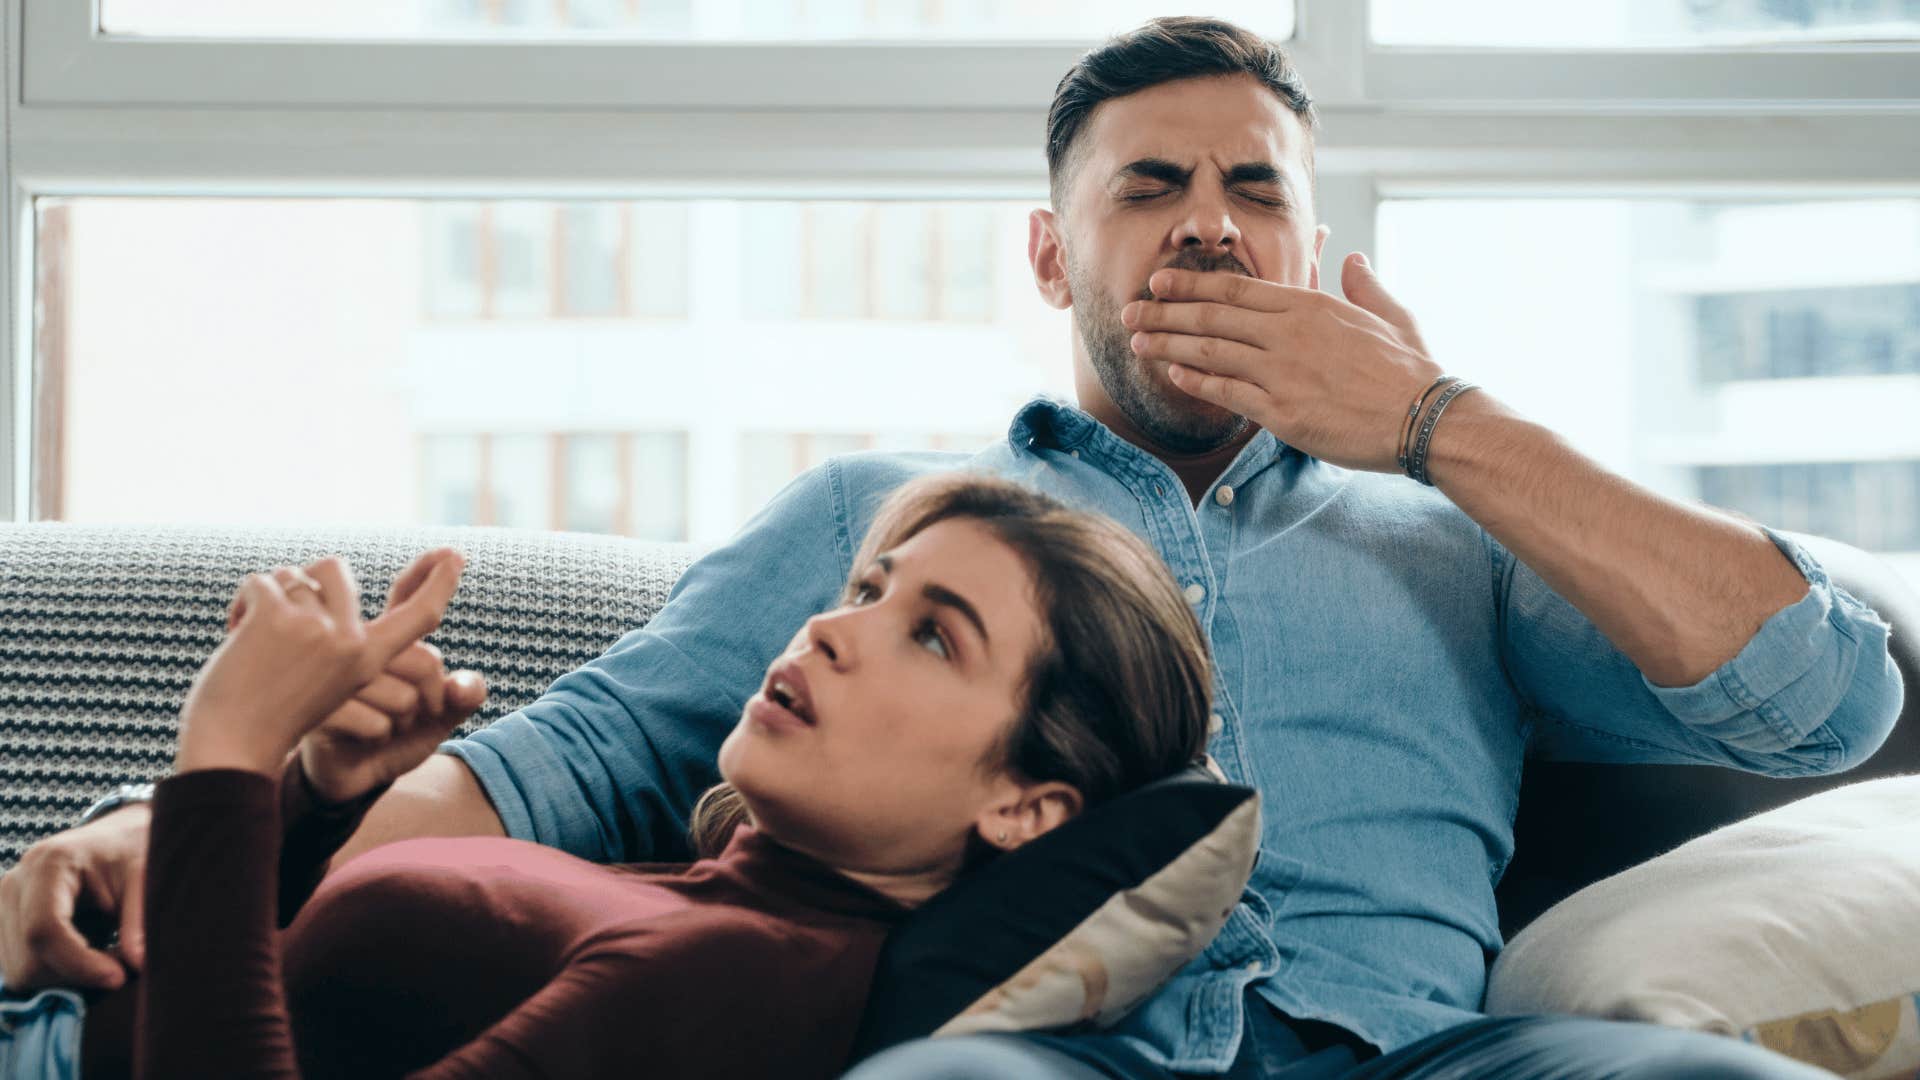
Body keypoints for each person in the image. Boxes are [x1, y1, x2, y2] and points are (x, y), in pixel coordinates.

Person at [1, 15, 1901, 1080]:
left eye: (1258, 192)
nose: (1210, 229)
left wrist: (1437, 424)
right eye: (1148, 187)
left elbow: (1821, 705)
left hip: (1421, 1061)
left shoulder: (1450, 532)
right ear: (1051, 250)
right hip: (1045, 1054)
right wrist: (175, 856)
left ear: (1319, 250)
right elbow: (570, 760)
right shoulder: (871, 521)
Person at [55, 472, 1213, 1079]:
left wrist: (225, 760)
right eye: (867, 589)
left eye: (932, 635)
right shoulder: (723, 896)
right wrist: (319, 798)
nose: (828, 629)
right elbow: (300, 1007)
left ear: (1023, 805)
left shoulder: (741, 976)